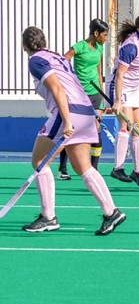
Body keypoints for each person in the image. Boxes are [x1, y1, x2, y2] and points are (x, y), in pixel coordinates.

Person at [21, 26, 126, 235]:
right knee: (83, 167)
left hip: (68, 113)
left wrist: (68, 121)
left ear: (24, 46)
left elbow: (58, 89)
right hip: (85, 111)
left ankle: (48, 217)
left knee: (40, 162)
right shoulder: (57, 57)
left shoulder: (36, 60)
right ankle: (111, 212)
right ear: (44, 41)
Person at [57, 18, 109, 180]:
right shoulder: (79, 47)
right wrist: (70, 79)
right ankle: (62, 169)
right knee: (72, 129)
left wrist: (102, 94)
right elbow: (62, 62)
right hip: (79, 95)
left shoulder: (99, 48)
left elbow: (98, 71)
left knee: (97, 129)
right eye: (104, 35)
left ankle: (94, 169)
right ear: (96, 33)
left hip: (95, 94)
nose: (106, 38)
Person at [108, 14, 139, 190]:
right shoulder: (131, 46)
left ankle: (138, 171)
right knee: (126, 126)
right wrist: (118, 100)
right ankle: (117, 168)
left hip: (134, 87)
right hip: (120, 87)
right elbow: (120, 75)